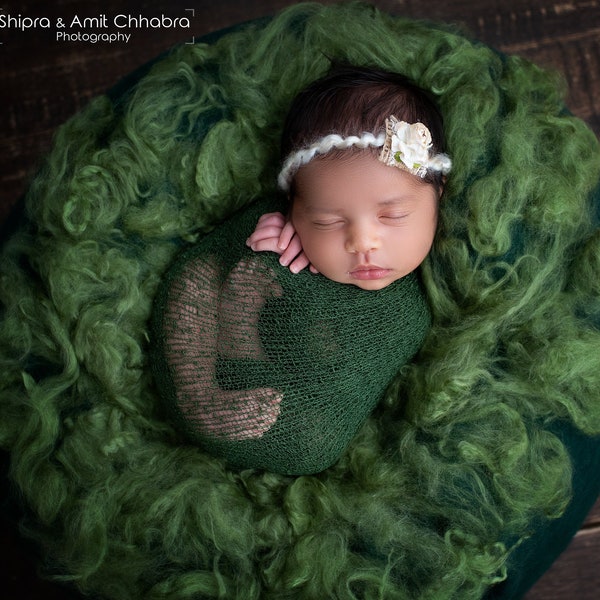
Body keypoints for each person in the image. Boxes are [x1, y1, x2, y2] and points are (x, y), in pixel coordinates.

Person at [151, 65, 452, 475]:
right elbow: (210, 273)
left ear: (439, 195)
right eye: (327, 220)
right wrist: (275, 249)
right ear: (293, 209)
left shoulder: (418, 305)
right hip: (219, 363)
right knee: (204, 281)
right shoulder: (277, 235)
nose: (362, 242)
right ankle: (201, 394)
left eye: (394, 214)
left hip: (296, 405)